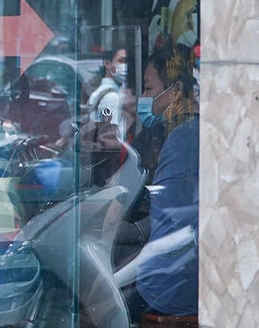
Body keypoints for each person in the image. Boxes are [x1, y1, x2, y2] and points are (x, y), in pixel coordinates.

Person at [124, 43, 199, 318]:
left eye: (148, 88)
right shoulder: (177, 132)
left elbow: (170, 219)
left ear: (176, 90)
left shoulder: (184, 138)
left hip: (171, 284)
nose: (144, 97)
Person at [87, 48, 128, 134]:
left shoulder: (104, 92)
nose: (125, 66)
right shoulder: (111, 97)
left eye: (128, 62)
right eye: (121, 61)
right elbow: (109, 136)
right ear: (107, 63)